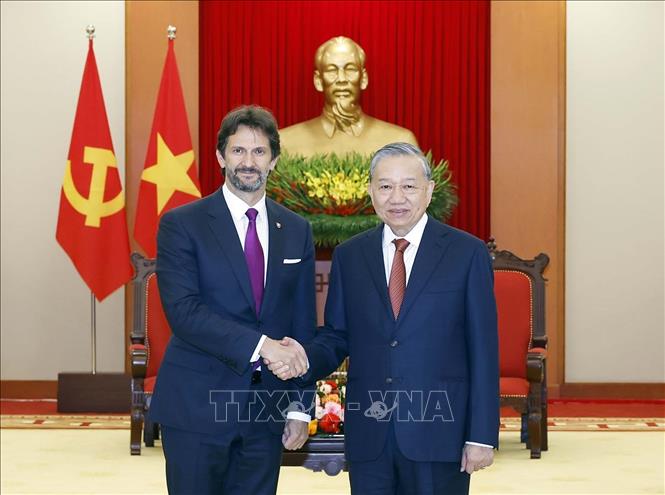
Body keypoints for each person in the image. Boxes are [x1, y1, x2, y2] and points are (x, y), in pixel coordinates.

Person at [268, 143, 499, 494]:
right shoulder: (350, 255)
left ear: (429, 190)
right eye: (386, 186)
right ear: (371, 192)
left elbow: (483, 349)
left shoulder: (466, 253)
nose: (397, 197)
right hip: (370, 434)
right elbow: (337, 336)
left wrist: (481, 435)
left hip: (439, 432)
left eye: (409, 186)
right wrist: (302, 359)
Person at [149, 105, 314, 495]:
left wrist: (299, 406)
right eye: (238, 150)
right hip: (196, 406)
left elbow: (302, 324)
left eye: (259, 152)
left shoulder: (296, 229)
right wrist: (262, 345)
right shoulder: (182, 224)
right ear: (221, 157)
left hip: (266, 411)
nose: (248, 162)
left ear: (274, 160)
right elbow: (184, 313)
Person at [279, 36, 419, 157]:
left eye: (350, 69)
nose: (342, 79)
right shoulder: (285, 142)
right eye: (331, 70)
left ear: (363, 79)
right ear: (318, 81)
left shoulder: (400, 141)